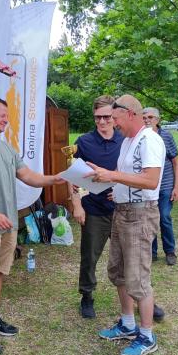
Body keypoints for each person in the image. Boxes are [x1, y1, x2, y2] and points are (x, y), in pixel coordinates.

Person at [0, 97, 65, 355]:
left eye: (7, 115)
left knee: (0, 273)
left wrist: (59, 177)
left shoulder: (6, 149)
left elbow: (29, 176)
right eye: (2, 115)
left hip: (8, 224)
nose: (6, 119)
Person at [86, 94, 165, 355]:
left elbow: (151, 180)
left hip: (140, 215)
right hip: (122, 211)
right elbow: (128, 177)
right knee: (118, 271)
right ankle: (128, 325)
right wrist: (104, 176)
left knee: (137, 277)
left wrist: (113, 176)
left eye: (115, 118)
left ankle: (146, 335)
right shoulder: (129, 141)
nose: (113, 123)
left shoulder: (149, 140)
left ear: (130, 114)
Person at [69, 95, 124, 318]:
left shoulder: (125, 141)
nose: (102, 122)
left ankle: (138, 296)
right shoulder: (83, 142)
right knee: (90, 256)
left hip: (122, 209)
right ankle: (87, 295)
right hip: (93, 209)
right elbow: (72, 176)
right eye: (97, 118)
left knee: (129, 256)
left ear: (115, 116)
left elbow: (134, 174)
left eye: (107, 117)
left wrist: (121, 189)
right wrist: (76, 205)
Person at [143, 107, 178, 265]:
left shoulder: (166, 136)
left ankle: (170, 251)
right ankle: (152, 252)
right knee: (149, 219)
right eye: (144, 117)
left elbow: (176, 163)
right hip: (147, 186)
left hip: (165, 185)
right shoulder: (141, 137)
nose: (147, 120)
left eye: (151, 117)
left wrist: (176, 187)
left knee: (164, 217)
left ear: (158, 120)